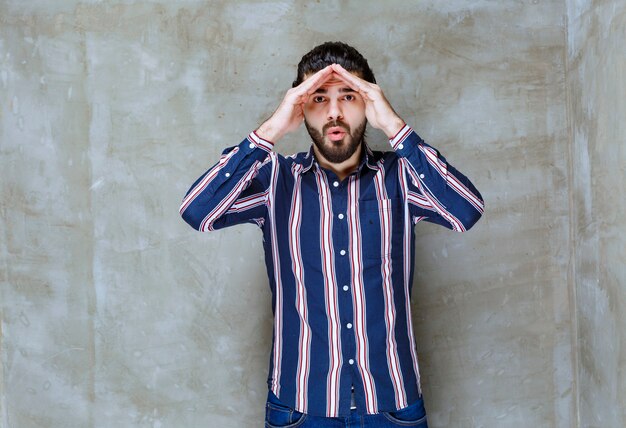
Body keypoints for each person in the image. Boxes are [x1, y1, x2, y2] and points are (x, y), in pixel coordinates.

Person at [180, 41, 483, 427]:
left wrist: (395, 126)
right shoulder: (275, 180)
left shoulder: (404, 177)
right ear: (301, 107)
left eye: (349, 96)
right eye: (319, 98)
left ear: (369, 104)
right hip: (300, 407)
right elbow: (196, 210)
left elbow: (467, 210)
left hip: (393, 406)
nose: (335, 112)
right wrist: (271, 129)